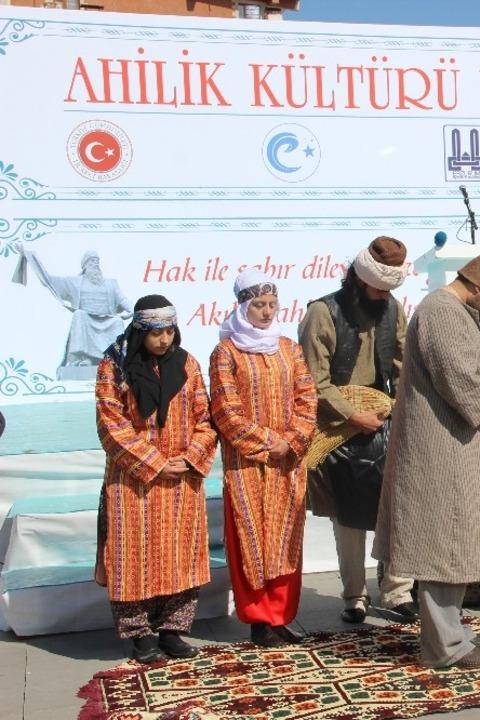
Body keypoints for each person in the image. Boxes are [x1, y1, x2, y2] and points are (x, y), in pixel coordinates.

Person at [373, 245, 480, 670]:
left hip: (448, 444)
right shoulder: (443, 312)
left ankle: (453, 635)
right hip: (437, 449)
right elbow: (458, 376)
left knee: (451, 544)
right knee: (441, 546)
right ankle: (445, 648)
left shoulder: (452, 310)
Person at [298, 237, 417, 624]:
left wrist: (399, 410)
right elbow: (312, 379)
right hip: (339, 429)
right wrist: (352, 415)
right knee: (348, 516)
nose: (384, 297)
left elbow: (404, 367)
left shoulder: (392, 308)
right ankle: (354, 596)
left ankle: (398, 592)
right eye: (379, 289)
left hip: (384, 423)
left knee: (397, 509)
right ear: (358, 280)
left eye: (389, 290)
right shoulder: (322, 312)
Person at [94, 295, 218, 663]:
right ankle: (140, 634)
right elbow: (110, 424)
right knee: (134, 555)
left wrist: (190, 457)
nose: (164, 340)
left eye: (169, 331)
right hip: (133, 482)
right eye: (155, 333)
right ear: (139, 331)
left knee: (181, 554)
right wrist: (155, 462)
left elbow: (205, 417)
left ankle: (173, 631)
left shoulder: (188, 364)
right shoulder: (114, 366)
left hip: (182, 478)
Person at [210, 270, 317, 647]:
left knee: (286, 537)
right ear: (243, 306)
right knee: (252, 538)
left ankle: (281, 616)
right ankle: (258, 621)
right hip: (247, 465)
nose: (267, 312)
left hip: (288, 462)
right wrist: (269, 442)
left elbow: (307, 397)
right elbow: (225, 411)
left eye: (271, 304)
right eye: (258, 305)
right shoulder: (227, 352)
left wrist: (292, 442)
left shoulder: (289, 348)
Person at [14, 248, 132, 376]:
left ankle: (114, 359)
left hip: (108, 319)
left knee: (118, 321)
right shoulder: (74, 283)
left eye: (97, 260)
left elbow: (123, 299)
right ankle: (84, 358)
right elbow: (49, 280)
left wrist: (134, 310)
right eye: (92, 261)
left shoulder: (111, 283)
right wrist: (30, 256)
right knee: (79, 314)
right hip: (86, 319)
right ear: (85, 265)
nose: (95, 263)